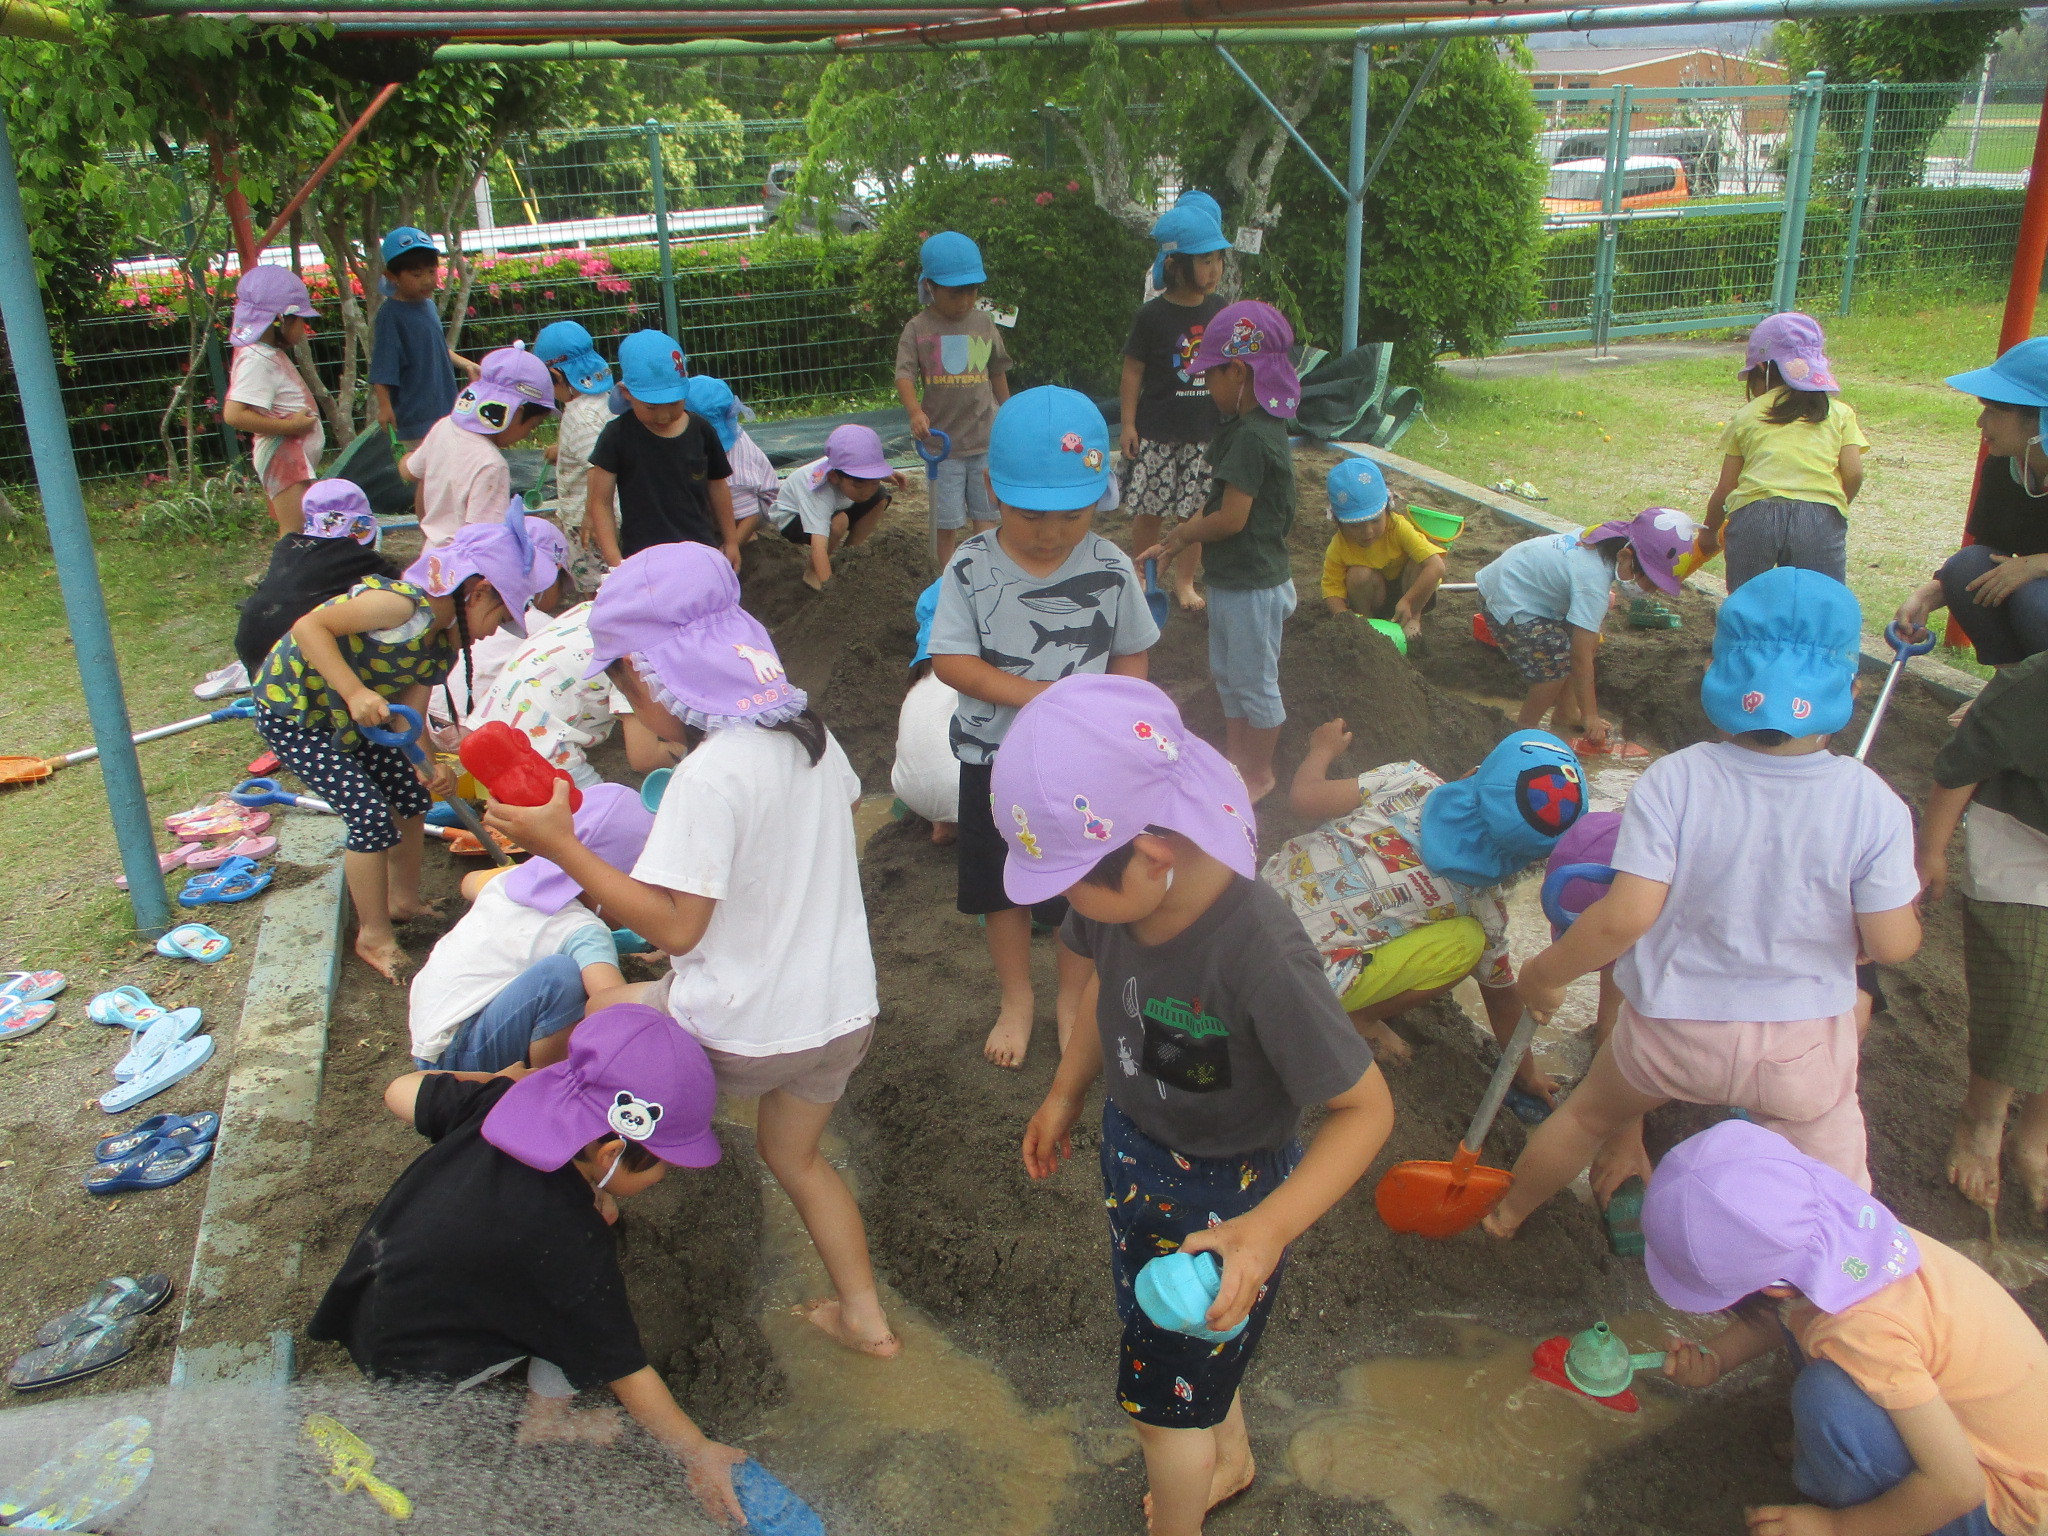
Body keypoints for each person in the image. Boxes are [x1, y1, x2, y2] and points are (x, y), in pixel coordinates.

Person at [483, 543, 898, 1361]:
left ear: (652, 678)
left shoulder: (709, 778)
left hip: (738, 1029)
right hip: (842, 1016)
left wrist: (561, 846)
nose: (626, 704)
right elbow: (824, 821)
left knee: (600, 1012)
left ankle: (567, 1164)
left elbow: (676, 932)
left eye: (621, 682)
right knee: (797, 1158)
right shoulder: (812, 740)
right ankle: (866, 1321)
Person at [1006, 675, 1394, 1536]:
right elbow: (1104, 986)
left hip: (1229, 1201)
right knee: (1183, 1343)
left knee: (1161, 1410)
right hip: (1134, 1150)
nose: (1064, 903)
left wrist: (1267, 1231)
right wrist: (1067, 1091)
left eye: (1068, 883)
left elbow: (1366, 1109)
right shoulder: (1119, 900)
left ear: (1151, 856)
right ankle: (1232, 1455)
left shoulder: (1261, 953)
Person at [1483, 568, 1923, 1239]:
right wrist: (1892, 923)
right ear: (1850, 689)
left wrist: (1547, 971)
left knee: (1587, 1117)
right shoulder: (1875, 803)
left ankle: (1504, 1217)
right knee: (1836, 1173)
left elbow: (1625, 918)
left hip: (1673, 1033)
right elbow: (1891, 944)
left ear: (1719, 675)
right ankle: (1837, 1266)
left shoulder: (1675, 779)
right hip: (1801, 1050)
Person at [309, 1003, 752, 1525]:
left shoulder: (499, 1103)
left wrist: (512, 1082)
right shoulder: (570, 1244)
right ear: (610, 1154)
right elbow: (624, 1368)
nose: (666, 1176)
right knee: (576, 1321)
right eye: (665, 1165)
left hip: (366, 1306)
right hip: (419, 1372)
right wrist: (697, 1450)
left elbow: (399, 1091)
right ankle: (546, 1423)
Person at [1644, 1121, 2048, 1536]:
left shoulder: (1865, 1331)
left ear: (1772, 1289)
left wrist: (1836, 1526)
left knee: (1828, 1402)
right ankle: (1842, 1454)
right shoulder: (1845, 1237)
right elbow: (1787, 1308)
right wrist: (1717, 1359)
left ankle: (1850, 1486)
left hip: (2010, 1502)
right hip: (1992, 1439)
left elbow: (1958, 1487)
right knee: (1821, 1357)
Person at [927, 386, 1159, 1069]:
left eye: (1073, 515)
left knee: (1078, 885)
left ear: (1100, 499)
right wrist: (1036, 696)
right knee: (1000, 887)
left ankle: (1071, 996)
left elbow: (1132, 652)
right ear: (993, 491)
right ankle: (1016, 997)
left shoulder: (1111, 568)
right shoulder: (970, 567)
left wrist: (1120, 717)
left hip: (1080, 768)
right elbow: (950, 661)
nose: (1053, 532)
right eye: (1032, 515)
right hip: (992, 761)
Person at [252, 503, 564, 982]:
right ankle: (373, 935)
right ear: (478, 592)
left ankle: (403, 901)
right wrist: (354, 692)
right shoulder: (401, 607)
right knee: (369, 816)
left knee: (411, 796)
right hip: (298, 714)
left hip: (358, 717)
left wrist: (426, 763)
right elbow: (309, 627)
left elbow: (408, 716)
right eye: (500, 617)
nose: (492, 633)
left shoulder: (440, 642)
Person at [1266, 722, 1582, 1100]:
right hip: (1300, 987)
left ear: (1473, 773)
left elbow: (1304, 799)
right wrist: (1527, 1074)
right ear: (1528, 861)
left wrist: (1322, 750)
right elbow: (1501, 999)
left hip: (1256, 908)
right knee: (1467, 942)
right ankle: (1357, 1018)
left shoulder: (1407, 779)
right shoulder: (1485, 908)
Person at [1138, 300, 1302, 802]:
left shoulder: (1254, 436)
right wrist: (1176, 540)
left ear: (1238, 372)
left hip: (1254, 584)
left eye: (1211, 375)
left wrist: (1182, 536)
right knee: (1229, 677)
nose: (1206, 386)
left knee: (1256, 684)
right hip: (1233, 580)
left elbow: (1232, 519)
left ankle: (1260, 773)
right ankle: (1236, 761)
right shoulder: (1240, 426)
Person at [1917, 646, 2048, 1221]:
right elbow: (1962, 763)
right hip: (2025, 841)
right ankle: (1983, 1117)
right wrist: (1932, 850)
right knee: (2018, 995)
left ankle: (2037, 1134)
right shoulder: (2035, 685)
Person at [409, 785, 651, 1073]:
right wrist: (664, 999)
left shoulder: (508, 880)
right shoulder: (585, 931)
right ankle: (549, 1080)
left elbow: (469, 882)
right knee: (561, 978)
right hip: (461, 1057)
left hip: (431, 1033)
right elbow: (614, 1003)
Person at [1473, 507, 1695, 750]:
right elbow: (1580, 656)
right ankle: (1523, 730)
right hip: (1508, 598)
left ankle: (1566, 713)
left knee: (1588, 640)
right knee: (1555, 665)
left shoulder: (1609, 539)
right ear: (1624, 557)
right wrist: (1591, 715)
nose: (1649, 591)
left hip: (1524, 586)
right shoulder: (1592, 582)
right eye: (1649, 582)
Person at [1895, 336, 2048, 670]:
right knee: (1967, 565)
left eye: (1993, 411)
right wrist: (1928, 595)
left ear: (2041, 419)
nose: (1981, 422)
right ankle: (2011, 687)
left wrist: (2038, 564)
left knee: (2036, 600)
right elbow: (1988, 550)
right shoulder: (2005, 465)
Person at [1699, 312, 1868, 592]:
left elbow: (1726, 487)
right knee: (1818, 599)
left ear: (1762, 369)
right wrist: (1833, 503)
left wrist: (1709, 532)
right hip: (1819, 520)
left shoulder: (1746, 415)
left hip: (1754, 517)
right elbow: (1854, 474)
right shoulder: (1839, 413)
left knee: (1748, 601)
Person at [1120, 201, 1229, 612]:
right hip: (1158, 434)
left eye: (1218, 259)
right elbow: (1132, 372)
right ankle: (1144, 577)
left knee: (1194, 516)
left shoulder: (1220, 311)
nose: (1215, 270)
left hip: (1205, 434)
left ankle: (1185, 582)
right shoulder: (1152, 316)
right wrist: (1128, 424)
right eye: (1205, 261)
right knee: (1149, 512)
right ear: (1176, 265)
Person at [465, 600, 682, 789]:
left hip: (488, 730)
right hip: (541, 749)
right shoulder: (636, 655)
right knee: (607, 815)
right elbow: (644, 757)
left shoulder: (594, 610)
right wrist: (691, 749)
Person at [895, 231, 1011, 567]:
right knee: (945, 523)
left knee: (986, 517)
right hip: (941, 446)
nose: (964, 301)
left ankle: (985, 574)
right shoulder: (918, 328)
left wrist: (1009, 411)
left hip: (983, 439)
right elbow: (904, 374)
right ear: (930, 286)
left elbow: (997, 371)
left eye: (971, 291)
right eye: (954, 293)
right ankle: (946, 581)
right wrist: (915, 412)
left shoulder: (984, 323)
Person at [585, 331, 738, 570]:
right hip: (643, 559)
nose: (664, 416)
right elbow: (601, 501)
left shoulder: (701, 430)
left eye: (674, 403)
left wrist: (731, 541)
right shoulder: (616, 436)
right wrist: (615, 560)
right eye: (652, 407)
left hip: (699, 552)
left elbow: (717, 486)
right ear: (626, 393)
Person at [233, 479, 399, 679]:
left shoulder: (286, 546)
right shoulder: (357, 555)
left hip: (254, 653)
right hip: (302, 661)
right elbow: (409, 589)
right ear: (363, 527)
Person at [404, 343, 557, 554]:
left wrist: (406, 456)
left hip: (432, 556)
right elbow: (485, 541)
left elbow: (410, 472)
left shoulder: (444, 426)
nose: (529, 435)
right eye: (533, 426)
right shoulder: (492, 464)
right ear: (515, 413)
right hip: (466, 566)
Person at [223, 266, 324, 537]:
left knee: (303, 531)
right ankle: (287, 567)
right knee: (294, 533)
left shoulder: (267, 353)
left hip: (292, 454)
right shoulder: (256, 358)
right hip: (283, 455)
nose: (304, 328)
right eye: (301, 320)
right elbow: (233, 414)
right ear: (280, 318)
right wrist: (291, 427)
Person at [370, 226, 479, 449]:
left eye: (431, 271)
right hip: (415, 423)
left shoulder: (428, 306)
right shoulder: (391, 316)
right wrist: (385, 408)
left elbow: (436, 348)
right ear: (392, 277)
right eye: (417, 274)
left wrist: (467, 364)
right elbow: (383, 367)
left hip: (445, 413)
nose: (428, 280)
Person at [1318, 457, 1446, 639]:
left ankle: (1413, 618)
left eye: (1376, 520)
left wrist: (1409, 601)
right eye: (1355, 526)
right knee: (1358, 574)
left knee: (1420, 562)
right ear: (1338, 522)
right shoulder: (1339, 545)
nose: (1368, 532)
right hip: (1375, 597)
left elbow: (1437, 566)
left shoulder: (1398, 528)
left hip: (1410, 591)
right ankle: (1367, 623)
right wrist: (1346, 619)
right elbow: (1332, 590)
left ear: (1387, 509)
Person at [532, 320, 616, 595]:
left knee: (598, 589)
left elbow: (597, 464)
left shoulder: (579, 416)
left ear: (555, 375)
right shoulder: (604, 399)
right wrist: (564, 449)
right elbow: (600, 443)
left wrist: (592, 514)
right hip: (612, 512)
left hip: (588, 521)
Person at [770, 424, 908, 591]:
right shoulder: (819, 493)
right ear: (834, 477)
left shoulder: (847, 474)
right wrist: (832, 591)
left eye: (873, 481)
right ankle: (812, 573)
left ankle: (848, 557)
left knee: (880, 496)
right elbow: (818, 546)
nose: (866, 491)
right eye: (858, 485)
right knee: (839, 522)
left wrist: (885, 475)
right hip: (793, 518)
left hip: (838, 504)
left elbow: (865, 474)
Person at [892, 579, 960, 845]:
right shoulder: (970, 670)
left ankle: (943, 826)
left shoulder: (919, 680)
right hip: (959, 787)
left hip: (908, 789)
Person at [683, 374, 781, 544]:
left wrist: (730, 547)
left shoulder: (733, 473)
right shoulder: (729, 428)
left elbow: (751, 514)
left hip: (758, 505)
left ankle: (738, 534)